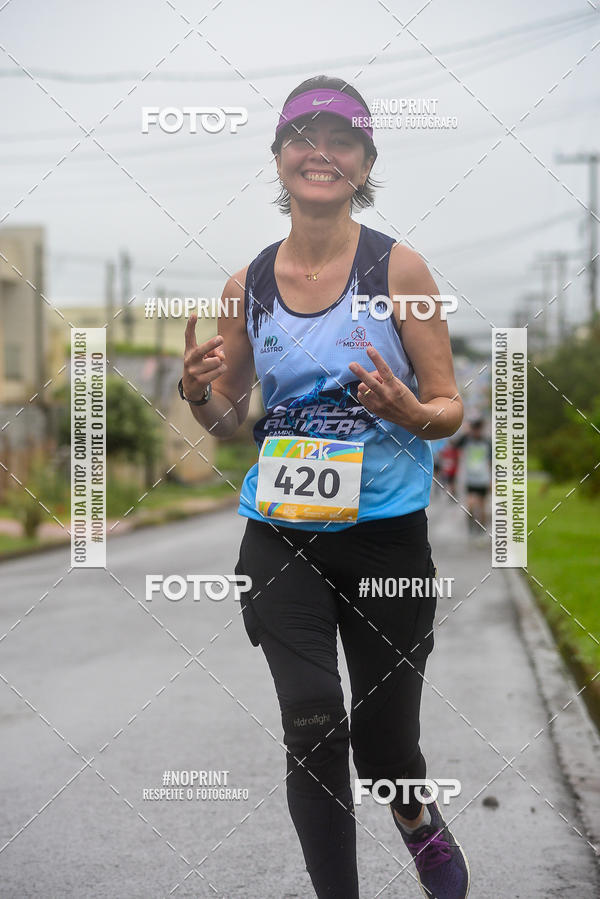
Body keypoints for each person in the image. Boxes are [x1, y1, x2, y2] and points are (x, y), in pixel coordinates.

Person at [180, 75, 470, 899]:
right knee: (311, 717)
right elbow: (232, 421)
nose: (320, 152)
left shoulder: (398, 266)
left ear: (364, 161)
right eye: (302, 138)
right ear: (278, 159)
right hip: (281, 532)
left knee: (383, 746)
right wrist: (197, 389)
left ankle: (414, 816)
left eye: (340, 139)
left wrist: (413, 409)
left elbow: (450, 405)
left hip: (386, 536)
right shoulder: (248, 285)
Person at [456, 418, 492, 537]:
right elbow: (455, 444)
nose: (476, 432)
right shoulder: (467, 440)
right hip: (471, 479)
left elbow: (491, 462)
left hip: (483, 479)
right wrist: (466, 432)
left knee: (482, 506)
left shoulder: (487, 442)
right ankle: (471, 527)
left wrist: (492, 480)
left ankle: (481, 529)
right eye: (474, 429)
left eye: (478, 429)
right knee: (470, 505)